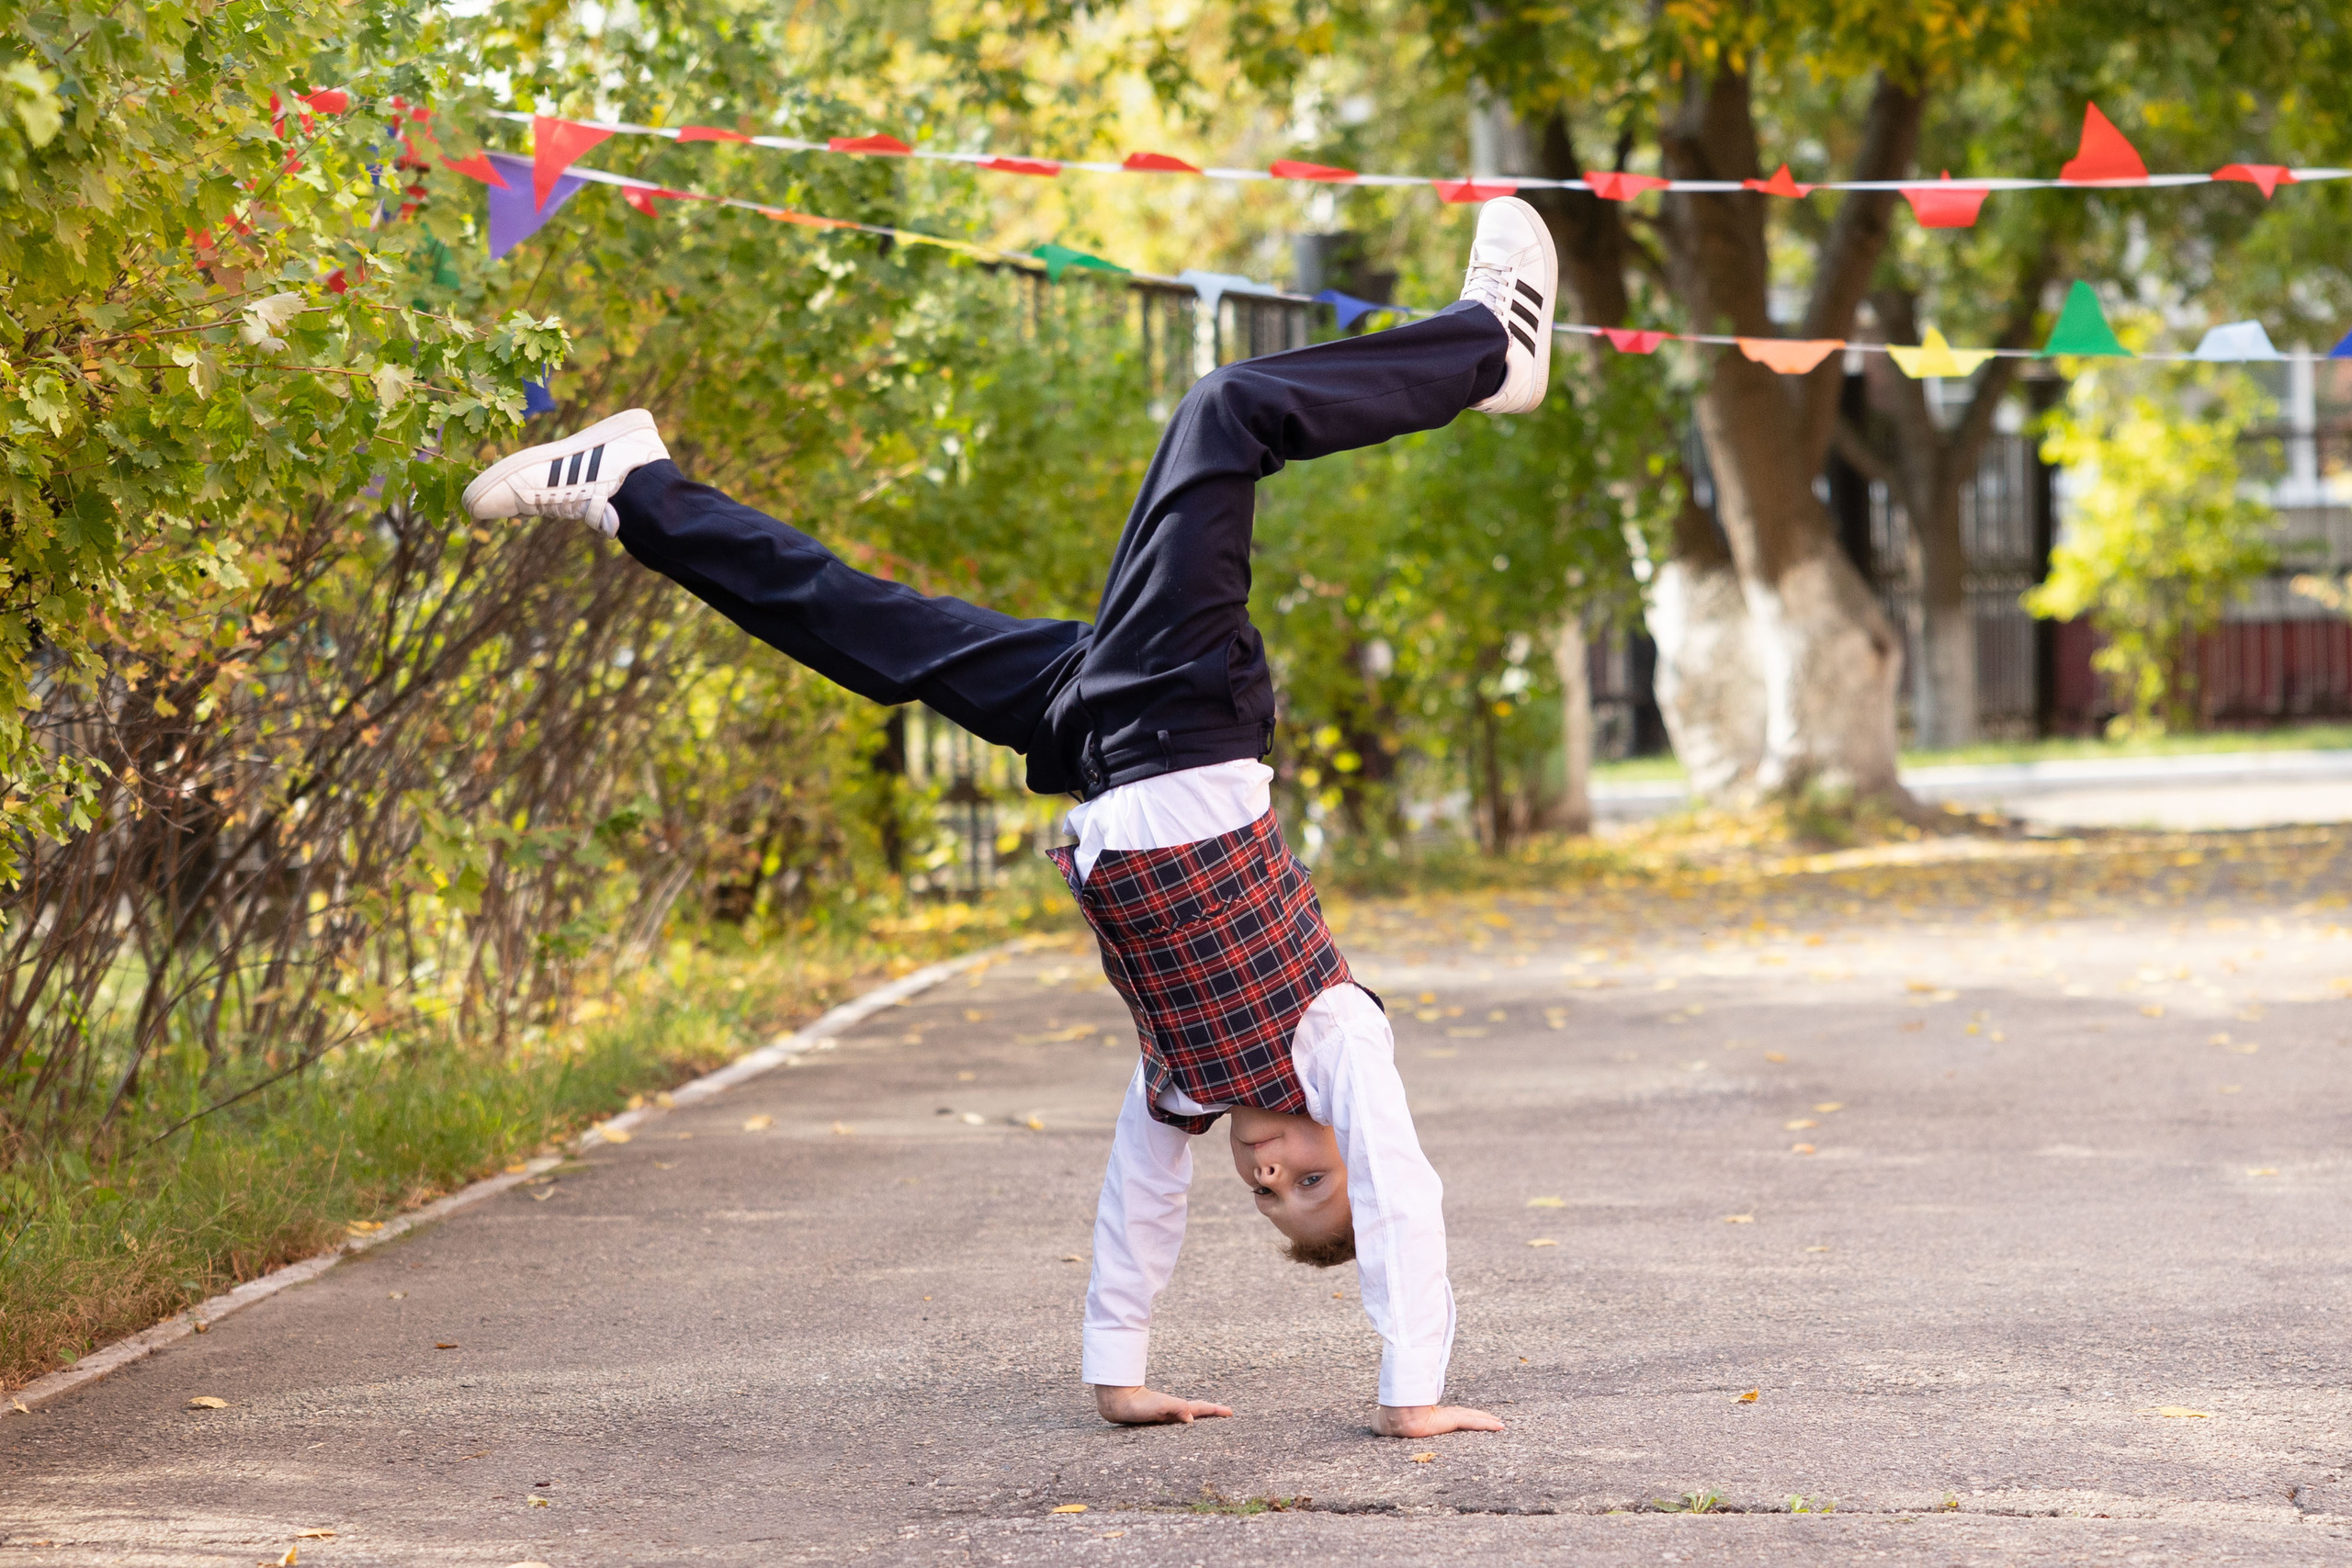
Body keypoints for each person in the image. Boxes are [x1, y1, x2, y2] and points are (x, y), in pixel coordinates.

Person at [463, 197, 1559, 1438]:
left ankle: (637, 488)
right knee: (1223, 413)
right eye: (1310, 1176)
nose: (1267, 1170)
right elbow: (1403, 1192)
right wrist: (1413, 1392)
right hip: (1183, 716)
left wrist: (1118, 1373)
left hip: (1093, 738)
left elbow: (1134, 1210)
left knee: (870, 636)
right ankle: (1489, 346)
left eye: (1269, 1197)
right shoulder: (1333, 1041)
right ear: (1334, 1134)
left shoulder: (1178, 1092)